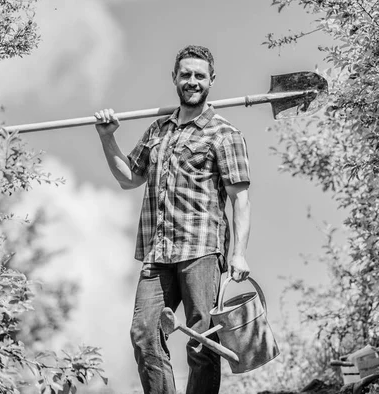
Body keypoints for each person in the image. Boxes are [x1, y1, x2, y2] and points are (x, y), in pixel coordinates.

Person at [94, 45, 251, 394]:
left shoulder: (224, 134)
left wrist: (239, 253)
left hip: (201, 250)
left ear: (211, 80)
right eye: (185, 74)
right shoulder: (157, 131)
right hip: (157, 253)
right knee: (144, 334)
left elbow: (241, 199)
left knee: (201, 342)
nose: (192, 81)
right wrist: (108, 137)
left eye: (199, 75)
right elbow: (128, 178)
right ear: (175, 79)